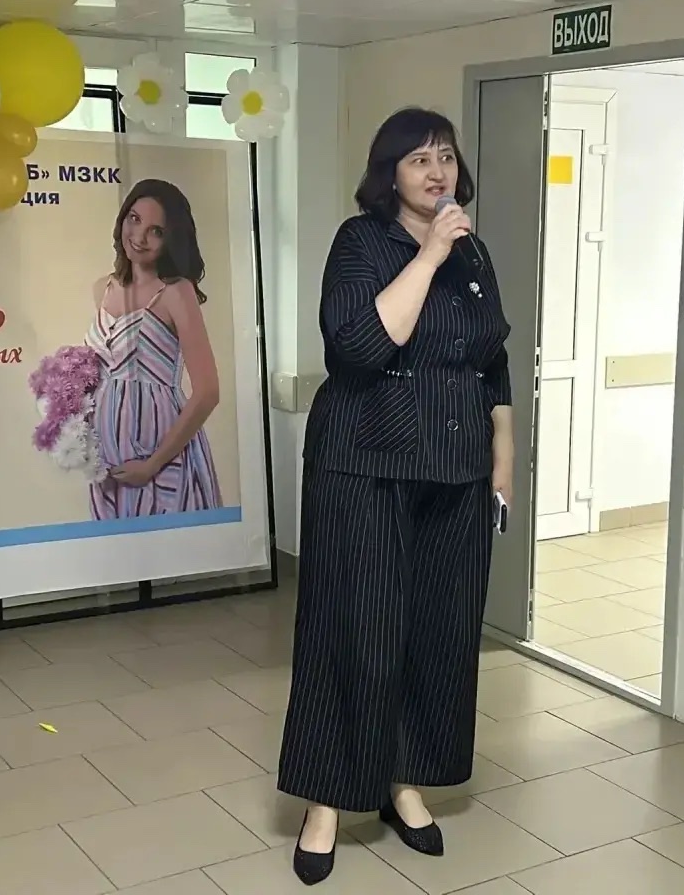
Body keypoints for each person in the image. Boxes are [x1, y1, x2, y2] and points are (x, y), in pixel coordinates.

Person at [278, 107, 514, 885]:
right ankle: (326, 800)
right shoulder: (361, 243)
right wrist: (430, 253)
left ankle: (401, 779)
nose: (437, 171)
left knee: (436, 631)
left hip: (456, 467)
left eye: (445, 156)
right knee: (358, 630)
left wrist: (504, 455)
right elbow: (357, 348)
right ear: (390, 174)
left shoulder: (473, 249)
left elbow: (492, 357)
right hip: (365, 465)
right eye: (418, 159)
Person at [86, 178, 223, 518]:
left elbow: (208, 392)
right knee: (117, 549)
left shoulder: (176, 292)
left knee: (168, 547)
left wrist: (152, 464)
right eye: (134, 219)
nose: (139, 236)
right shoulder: (102, 288)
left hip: (161, 460)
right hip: (108, 466)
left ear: (171, 239)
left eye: (156, 231)